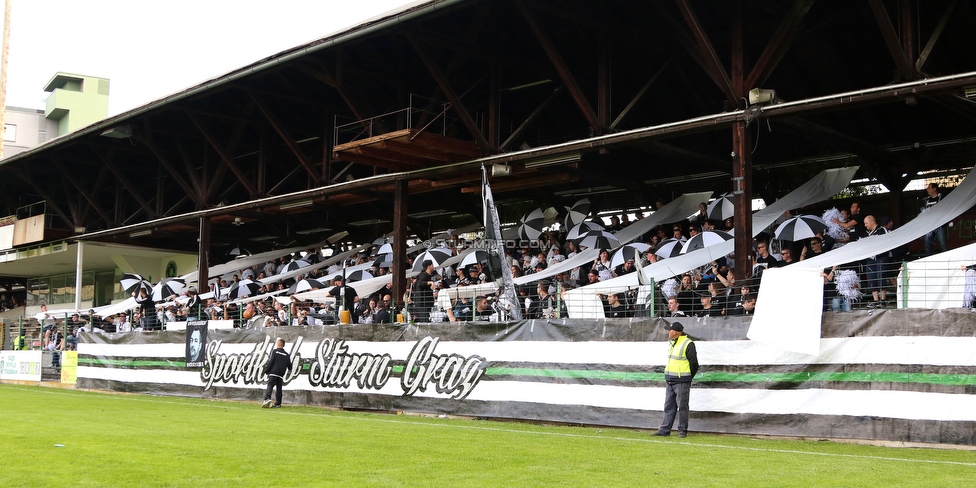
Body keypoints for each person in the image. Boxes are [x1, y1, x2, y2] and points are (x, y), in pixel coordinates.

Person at [652, 322, 698, 438]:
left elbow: (694, 364)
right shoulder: (672, 343)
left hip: (681, 380)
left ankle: (682, 431)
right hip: (670, 380)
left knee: (682, 407)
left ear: (675, 332)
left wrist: (687, 377)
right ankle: (664, 430)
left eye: (670, 330)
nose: (668, 332)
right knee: (668, 406)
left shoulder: (688, 344)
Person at [863, 215, 889, 307]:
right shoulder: (867, 234)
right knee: (872, 277)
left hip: (881, 257)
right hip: (870, 259)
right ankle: (876, 300)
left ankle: (883, 300)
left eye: (866, 223)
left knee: (881, 276)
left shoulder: (882, 230)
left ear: (872, 222)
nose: (865, 225)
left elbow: (887, 241)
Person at [262, 338, 293, 409]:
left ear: (278, 344)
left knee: (270, 386)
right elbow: (290, 366)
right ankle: (278, 403)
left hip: (274, 372)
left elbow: (271, 361)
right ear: (283, 345)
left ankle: (267, 399)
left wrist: (267, 370)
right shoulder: (287, 355)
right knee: (279, 389)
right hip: (281, 374)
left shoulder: (275, 351)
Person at [922, 183, 948, 255]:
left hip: (940, 225)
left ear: (934, 189)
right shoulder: (926, 200)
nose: (927, 190)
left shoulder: (941, 198)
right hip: (929, 226)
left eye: (929, 188)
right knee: (928, 246)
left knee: (943, 245)